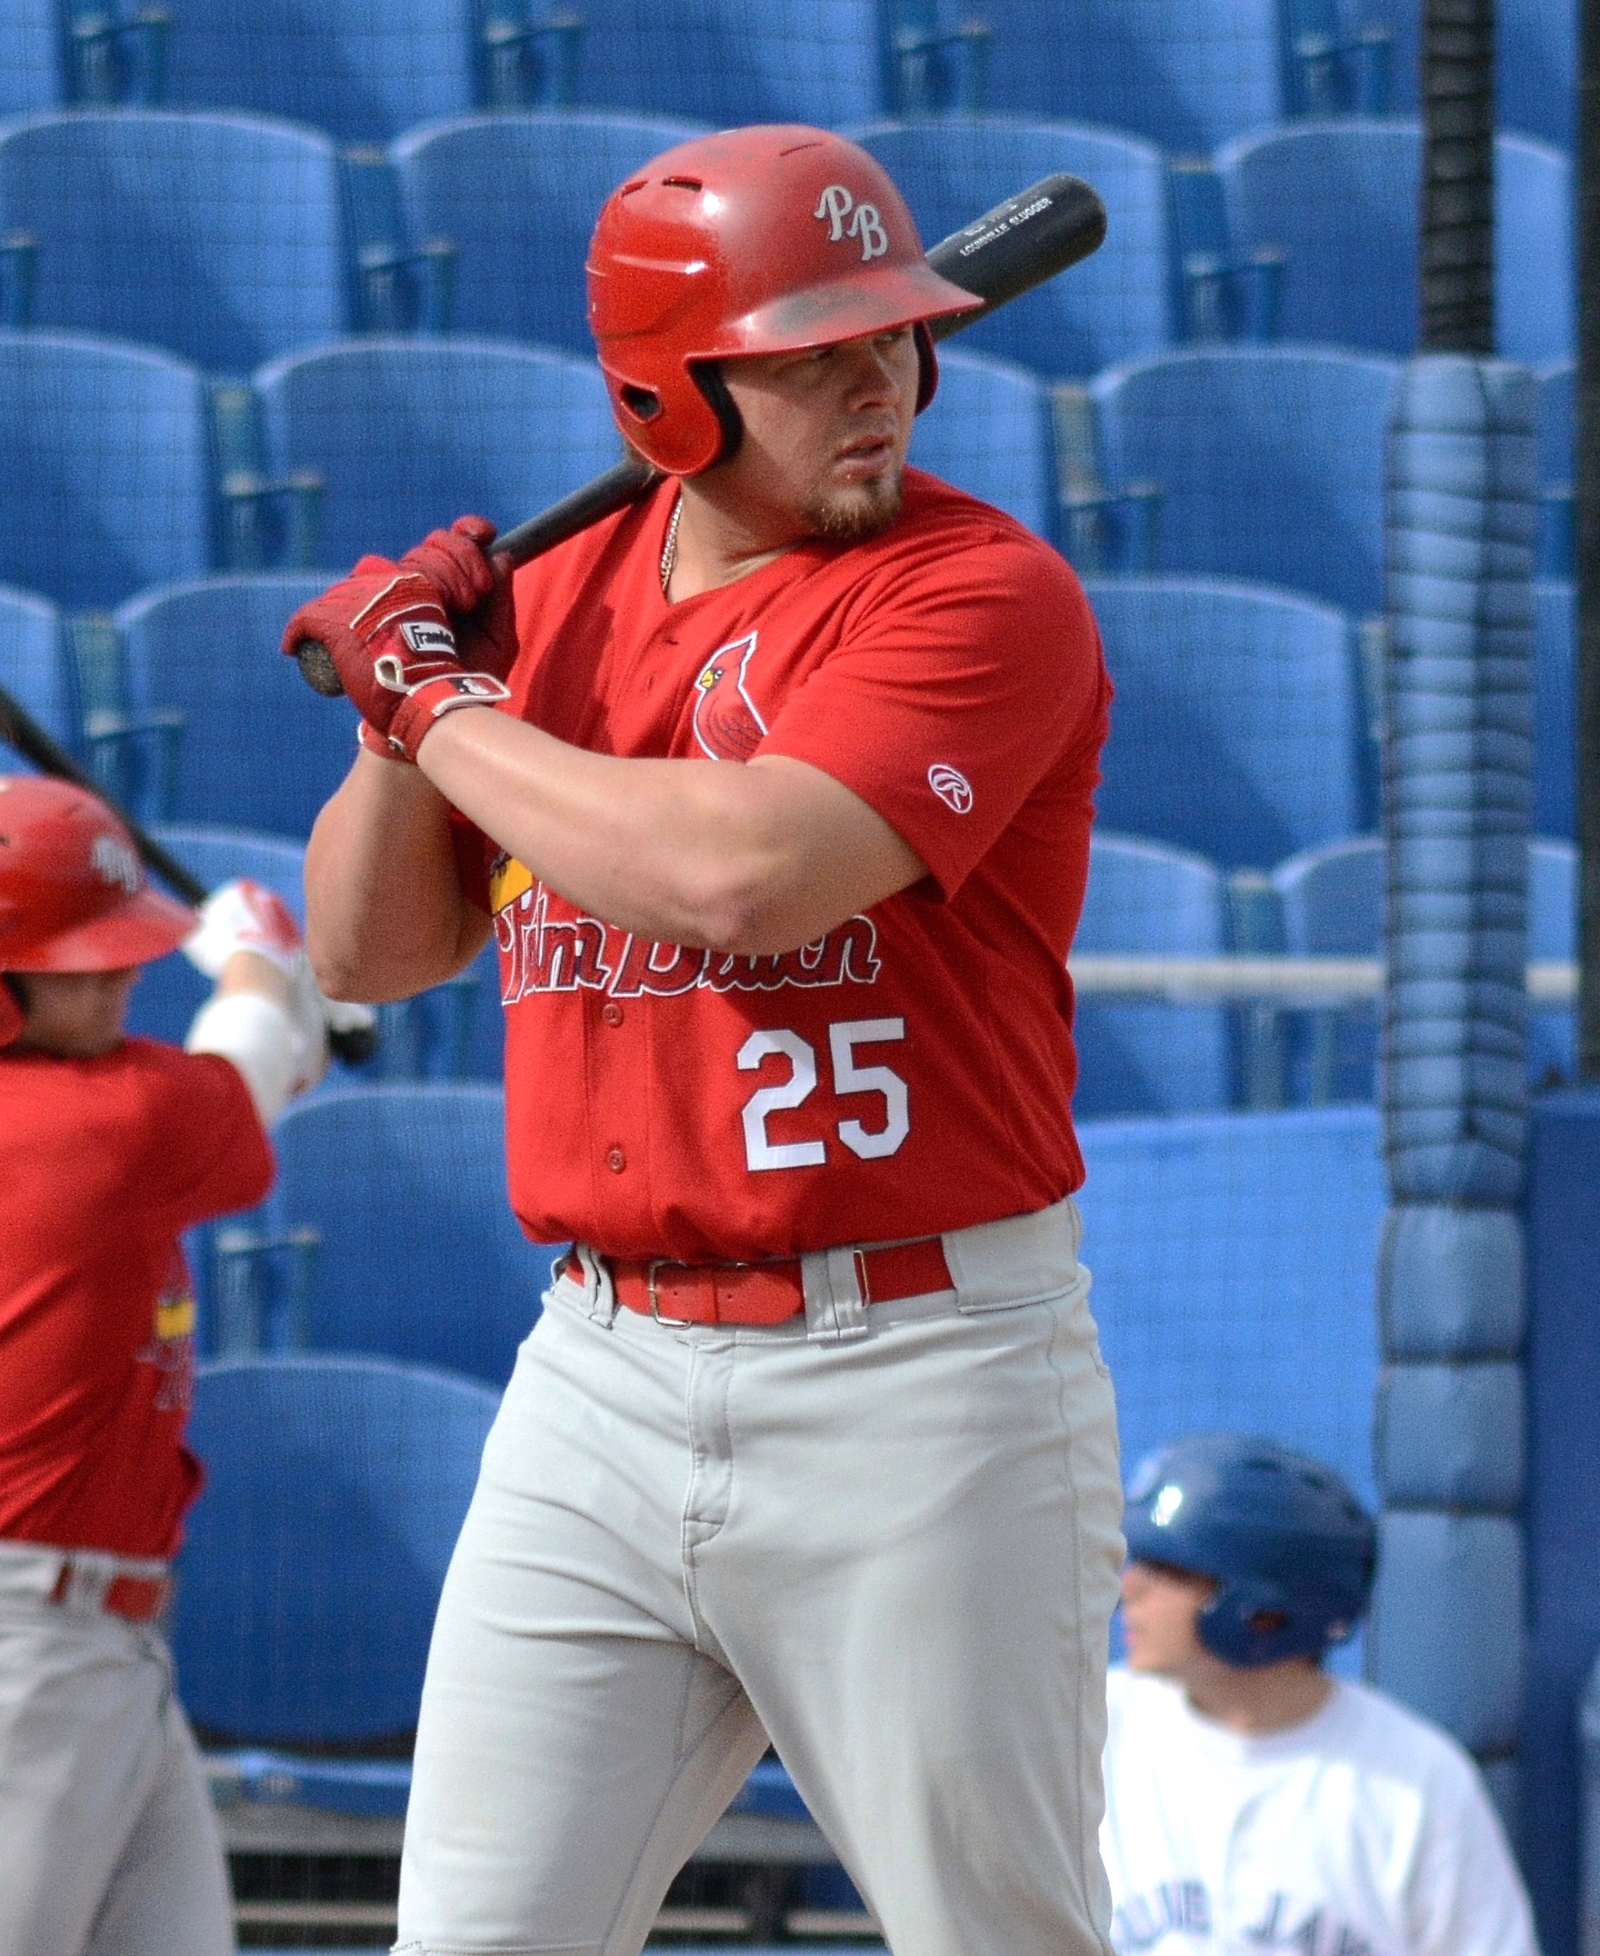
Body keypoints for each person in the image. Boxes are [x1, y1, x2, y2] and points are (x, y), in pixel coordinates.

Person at [290, 124, 1123, 1956]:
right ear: (671, 403)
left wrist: (435, 698)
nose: (880, 384)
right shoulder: (551, 613)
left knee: (1002, 1936)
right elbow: (372, 949)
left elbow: (744, 881)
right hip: (599, 1367)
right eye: (810, 354)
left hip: (917, 1377)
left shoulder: (981, 595)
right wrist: (390, 717)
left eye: (895, 337)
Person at [0, 774, 329, 1956]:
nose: (122, 971)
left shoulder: (100, 1108)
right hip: (29, 1650)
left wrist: (279, 1015)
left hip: (101, 1647)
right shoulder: (95, 1124)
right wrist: (258, 963)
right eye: (79, 960)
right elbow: (244, 1087)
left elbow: (245, 1092)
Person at [1101, 1432, 1539, 1956]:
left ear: (1263, 1611)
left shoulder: (1416, 1785)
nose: (1129, 1587)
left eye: (1169, 1571)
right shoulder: (1089, 1735)